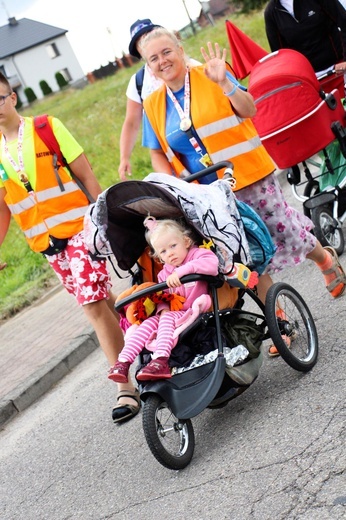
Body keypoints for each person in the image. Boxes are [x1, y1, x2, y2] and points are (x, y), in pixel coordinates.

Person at [138, 28, 346, 356]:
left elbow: (249, 109)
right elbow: (158, 154)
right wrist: (174, 190)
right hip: (209, 195)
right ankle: (280, 323)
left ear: (180, 49)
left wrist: (225, 83)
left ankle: (323, 257)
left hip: (247, 173)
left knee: (284, 231)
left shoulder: (211, 74)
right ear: (148, 67)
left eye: (167, 52)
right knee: (244, 258)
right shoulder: (153, 105)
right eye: (154, 58)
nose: (162, 61)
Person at [0, 72, 140, 424]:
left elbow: (88, 175)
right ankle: (143, 334)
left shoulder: (48, 127)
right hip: (48, 246)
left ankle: (125, 386)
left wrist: (106, 221)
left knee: (92, 305)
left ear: (13, 97)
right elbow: (3, 208)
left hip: (80, 231)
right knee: (105, 303)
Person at [108, 217, 219, 382]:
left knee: (166, 318)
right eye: (164, 251)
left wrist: (181, 273)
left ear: (186, 241)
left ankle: (161, 360)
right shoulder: (164, 273)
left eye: (173, 246)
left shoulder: (198, 255)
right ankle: (123, 362)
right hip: (173, 313)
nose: (170, 253)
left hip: (194, 309)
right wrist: (162, 309)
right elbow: (164, 297)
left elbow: (212, 265)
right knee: (147, 324)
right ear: (159, 257)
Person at [118, 18, 200, 181]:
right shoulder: (138, 82)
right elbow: (132, 122)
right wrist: (124, 157)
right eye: (139, 42)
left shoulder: (189, 64)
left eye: (149, 34)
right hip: (169, 145)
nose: (146, 41)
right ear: (139, 52)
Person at [264, 0, 346, 74]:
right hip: (310, 78)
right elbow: (281, 55)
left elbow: (343, 23)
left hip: (340, 66)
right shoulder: (271, 13)